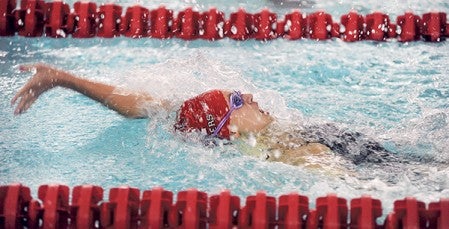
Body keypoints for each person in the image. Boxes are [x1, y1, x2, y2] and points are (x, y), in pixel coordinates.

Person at [11, 63, 396, 175]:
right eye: (235, 99)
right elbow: (344, 184)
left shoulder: (241, 128)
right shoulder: (277, 150)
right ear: (228, 125)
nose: (248, 96)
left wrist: (61, 78)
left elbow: (142, 105)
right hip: (365, 162)